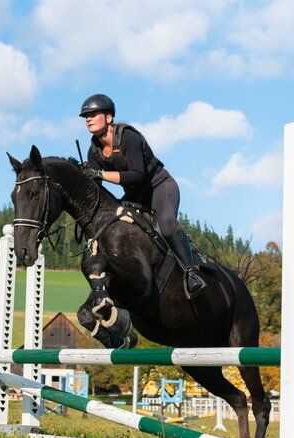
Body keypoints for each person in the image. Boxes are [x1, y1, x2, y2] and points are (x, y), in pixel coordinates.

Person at [79, 93, 206, 298]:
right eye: (86, 116)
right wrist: (82, 173)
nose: (88, 118)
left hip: (160, 187)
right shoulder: (93, 150)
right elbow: (96, 182)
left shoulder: (129, 137)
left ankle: (191, 273)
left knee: (165, 223)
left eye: (94, 114)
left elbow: (137, 175)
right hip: (134, 196)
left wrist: (100, 174)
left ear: (109, 118)